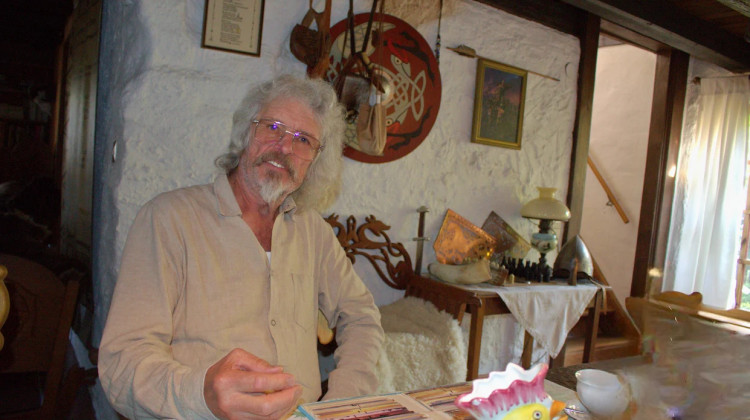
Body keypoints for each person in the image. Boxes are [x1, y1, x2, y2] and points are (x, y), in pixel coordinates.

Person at [99, 75, 385, 419]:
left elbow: (362, 316)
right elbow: (122, 364)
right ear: (246, 132)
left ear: (315, 160)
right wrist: (201, 393)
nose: (285, 147)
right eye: (273, 127)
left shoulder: (314, 232)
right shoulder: (168, 219)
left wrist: (343, 403)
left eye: (304, 140)